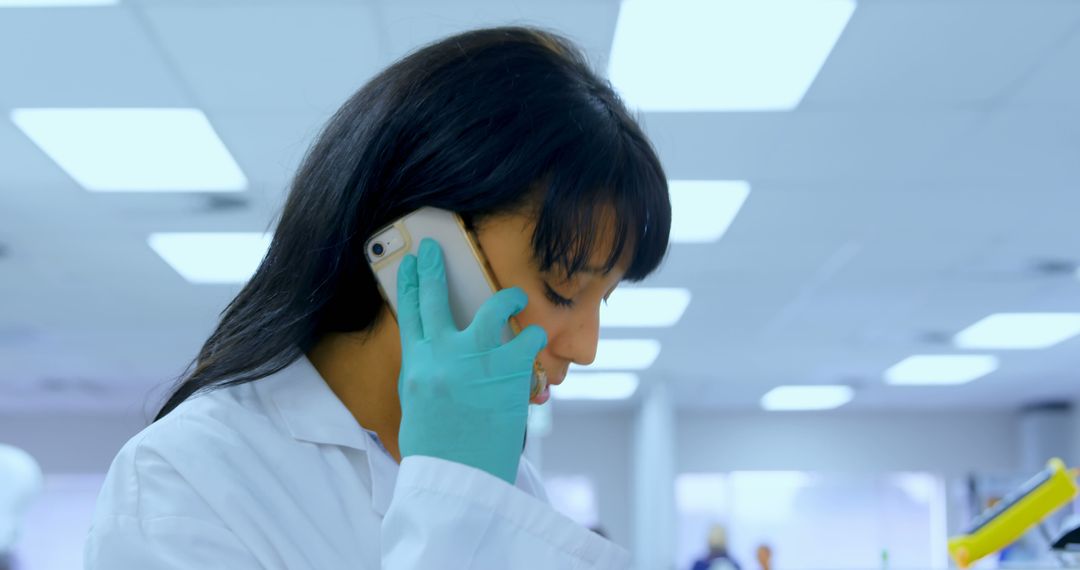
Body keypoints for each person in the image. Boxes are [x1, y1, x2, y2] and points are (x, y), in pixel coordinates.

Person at [84, 26, 670, 569]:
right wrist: (454, 501)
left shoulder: (504, 477)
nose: (588, 347)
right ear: (424, 241)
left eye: (605, 299)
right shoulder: (182, 479)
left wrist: (465, 490)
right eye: (564, 288)